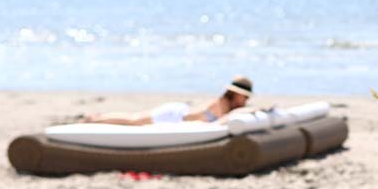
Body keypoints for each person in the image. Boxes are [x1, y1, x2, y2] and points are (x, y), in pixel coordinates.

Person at [85, 76, 253, 125]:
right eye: (243, 97)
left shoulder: (228, 108)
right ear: (234, 94)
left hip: (179, 113)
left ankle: (99, 117)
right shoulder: (219, 105)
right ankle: (98, 118)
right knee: (134, 120)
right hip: (174, 115)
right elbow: (191, 118)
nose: (244, 100)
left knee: (135, 118)